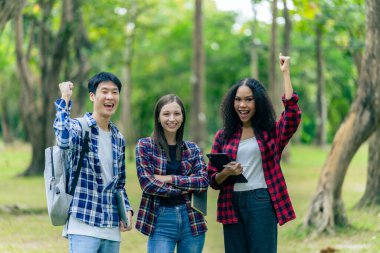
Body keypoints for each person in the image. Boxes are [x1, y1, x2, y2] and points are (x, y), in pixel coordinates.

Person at [207, 54, 301, 253]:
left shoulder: (270, 133)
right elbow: (213, 180)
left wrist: (286, 74)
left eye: (249, 100)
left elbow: (292, 115)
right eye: (238, 100)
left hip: (262, 201)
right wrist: (227, 173)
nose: (243, 105)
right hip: (230, 203)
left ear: (257, 102)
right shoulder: (223, 136)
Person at [54, 72, 133, 253]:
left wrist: (126, 208)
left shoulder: (118, 138)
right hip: (83, 223)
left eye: (114, 92)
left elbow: (119, 183)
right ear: (92, 96)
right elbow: (63, 139)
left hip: (111, 227)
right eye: (104, 91)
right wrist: (65, 98)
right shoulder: (79, 127)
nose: (110, 97)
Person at [135, 94, 208, 253]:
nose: (172, 118)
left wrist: (169, 178)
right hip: (160, 219)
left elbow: (203, 181)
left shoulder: (192, 149)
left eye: (177, 113)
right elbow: (148, 184)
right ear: (158, 118)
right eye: (166, 114)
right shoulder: (145, 146)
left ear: (183, 117)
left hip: (192, 219)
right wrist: (186, 187)